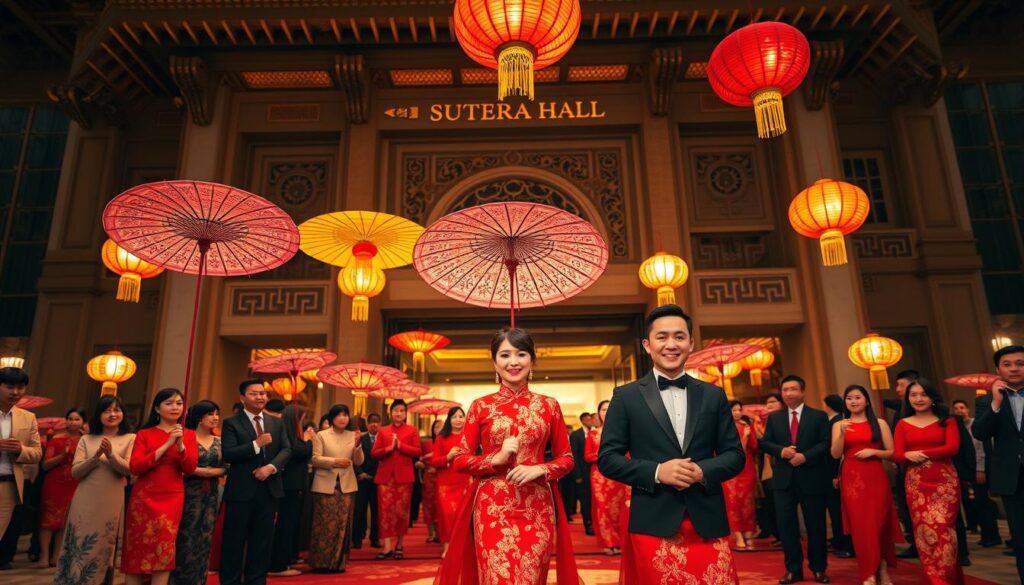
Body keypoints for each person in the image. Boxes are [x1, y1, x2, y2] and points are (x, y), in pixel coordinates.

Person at [598, 304, 743, 583]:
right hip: (653, 520)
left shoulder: (713, 395)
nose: (671, 344)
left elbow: (734, 455)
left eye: (679, 336)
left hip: (707, 520)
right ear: (647, 345)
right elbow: (608, 459)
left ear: (690, 343)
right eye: (662, 337)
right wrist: (657, 472)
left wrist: (702, 471)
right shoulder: (626, 397)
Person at [436, 327, 579, 584]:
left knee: (531, 576)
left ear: (532, 360)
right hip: (492, 507)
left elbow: (567, 458)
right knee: (497, 576)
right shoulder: (480, 406)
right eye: (504, 355)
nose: (513, 362)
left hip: (537, 506)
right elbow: (459, 459)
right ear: (494, 362)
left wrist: (541, 469)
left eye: (521, 354)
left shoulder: (549, 405)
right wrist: (496, 459)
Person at [54, 395, 134, 585]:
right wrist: (96, 456)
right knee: (80, 541)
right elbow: (76, 471)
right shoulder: (86, 439)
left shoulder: (130, 438)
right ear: (98, 415)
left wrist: (111, 454)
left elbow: (129, 469)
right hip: (85, 497)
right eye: (106, 411)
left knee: (103, 545)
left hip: (111, 499)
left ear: (123, 413)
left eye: (116, 410)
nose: (112, 414)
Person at [760, 374, 832, 584]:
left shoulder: (818, 416)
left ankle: (819, 568)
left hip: (812, 477)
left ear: (802, 391)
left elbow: (825, 443)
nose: (789, 393)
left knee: (815, 525)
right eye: (785, 390)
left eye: (793, 389)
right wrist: (781, 451)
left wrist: (805, 456)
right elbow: (765, 443)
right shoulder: (775, 418)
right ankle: (793, 570)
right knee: (786, 526)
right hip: (784, 480)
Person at [123, 388, 199, 585]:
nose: (175, 407)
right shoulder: (144, 434)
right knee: (137, 547)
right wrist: (167, 445)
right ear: (157, 408)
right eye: (169, 403)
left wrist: (181, 445)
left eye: (179, 403)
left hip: (172, 495)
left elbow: (190, 468)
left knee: (164, 548)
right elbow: (135, 466)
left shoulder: (189, 435)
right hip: (144, 495)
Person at [220, 378, 292, 585]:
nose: (260, 397)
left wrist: (270, 468)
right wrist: (256, 444)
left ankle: (256, 581)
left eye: (263, 393)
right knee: (234, 542)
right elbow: (229, 454)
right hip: (241, 492)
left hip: (268, 491)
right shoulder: (231, 422)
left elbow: (287, 449)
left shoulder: (276, 422)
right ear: (242, 398)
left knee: (261, 543)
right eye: (254, 393)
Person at [893, 378, 964, 584]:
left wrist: (920, 453)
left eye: (923, 394)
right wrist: (907, 455)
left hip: (944, 482)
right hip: (917, 484)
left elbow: (952, 448)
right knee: (924, 533)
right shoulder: (902, 423)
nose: (918, 398)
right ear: (908, 399)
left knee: (943, 530)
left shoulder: (947, 420)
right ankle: (937, 579)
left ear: (933, 397)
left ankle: (945, 579)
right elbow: (898, 454)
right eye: (913, 395)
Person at [830, 385, 901, 585]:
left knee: (880, 525)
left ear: (867, 401)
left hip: (875, 476)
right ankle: (868, 573)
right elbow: (835, 454)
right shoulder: (840, 424)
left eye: (857, 397)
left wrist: (875, 452)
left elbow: (894, 453)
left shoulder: (879, 423)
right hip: (852, 479)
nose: (853, 401)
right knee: (862, 527)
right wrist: (842, 433)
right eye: (849, 398)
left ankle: (883, 570)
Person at [972, 344, 1024, 582]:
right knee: (1021, 538)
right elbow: (980, 432)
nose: (1014, 369)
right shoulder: (987, 401)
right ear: (998, 369)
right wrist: (995, 401)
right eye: (1007, 364)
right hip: (1011, 478)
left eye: (1020, 363)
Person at [172, 400, 226, 585]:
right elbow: (177, 463)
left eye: (217, 413)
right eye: (210, 414)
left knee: (205, 536)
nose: (215, 417)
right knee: (184, 536)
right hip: (187, 491)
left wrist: (209, 472)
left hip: (210, 493)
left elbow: (227, 467)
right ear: (199, 417)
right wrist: (196, 471)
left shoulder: (220, 440)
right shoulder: (186, 437)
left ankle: (198, 580)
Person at [309, 403, 363, 573]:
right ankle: (321, 562)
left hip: (347, 486)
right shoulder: (321, 435)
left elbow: (359, 461)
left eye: (346, 415)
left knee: (342, 524)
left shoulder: (353, 435)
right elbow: (315, 459)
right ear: (332, 417)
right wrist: (334, 462)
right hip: (325, 485)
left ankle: (338, 562)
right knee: (324, 525)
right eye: (339, 415)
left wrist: (358, 446)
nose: (343, 418)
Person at [0, 367, 42, 571]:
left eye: (20, 387)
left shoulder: (28, 417)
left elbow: (37, 453)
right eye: (9, 387)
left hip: (10, 485)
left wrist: (20, 450)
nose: (15, 392)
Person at [371, 399, 421, 560]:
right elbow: (374, 453)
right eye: (395, 410)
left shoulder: (412, 430)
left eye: (401, 411)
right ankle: (386, 547)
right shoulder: (383, 431)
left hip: (404, 477)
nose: (398, 413)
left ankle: (399, 544)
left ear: (405, 414)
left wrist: (400, 446)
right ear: (390, 413)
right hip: (385, 477)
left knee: (401, 512)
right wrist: (388, 448)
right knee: (384, 511)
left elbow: (417, 451)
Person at [269, 404, 314, 577]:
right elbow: (299, 452)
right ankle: (278, 564)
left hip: (294, 486)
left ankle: (285, 559)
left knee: (290, 525)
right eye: (302, 418)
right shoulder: (287, 433)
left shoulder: (292, 433)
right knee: (285, 525)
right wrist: (308, 439)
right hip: (289, 486)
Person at [37, 408, 85, 568]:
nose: (72, 422)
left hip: (75, 482)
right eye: (70, 419)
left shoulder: (86, 440)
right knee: (48, 520)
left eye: (77, 419)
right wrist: (63, 455)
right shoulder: (57, 439)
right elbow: (45, 465)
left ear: (83, 422)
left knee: (65, 521)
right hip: (54, 483)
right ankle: (44, 556)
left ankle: (56, 556)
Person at [952, 399, 1001, 547]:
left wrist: (980, 470)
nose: (959, 411)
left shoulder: (975, 425)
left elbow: (980, 450)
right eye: (956, 409)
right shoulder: (958, 427)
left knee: (984, 503)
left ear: (968, 410)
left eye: (962, 407)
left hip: (982, 469)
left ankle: (992, 535)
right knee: (978, 503)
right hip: (970, 471)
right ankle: (987, 534)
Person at [585, 399, 629, 556]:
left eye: (609, 409)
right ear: (599, 414)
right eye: (603, 410)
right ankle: (608, 543)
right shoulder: (593, 434)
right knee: (603, 509)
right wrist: (604, 456)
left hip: (618, 475)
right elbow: (587, 456)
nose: (606, 412)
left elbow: (628, 455)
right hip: (599, 476)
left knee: (617, 510)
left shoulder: (623, 433)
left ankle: (619, 542)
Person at [428, 405, 470, 555]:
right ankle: (447, 546)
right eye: (454, 417)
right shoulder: (441, 437)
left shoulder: (469, 437)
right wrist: (448, 457)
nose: (458, 420)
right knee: (447, 515)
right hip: (445, 482)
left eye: (461, 416)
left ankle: (461, 547)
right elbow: (434, 461)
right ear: (449, 420)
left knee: (461, 515)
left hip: (464, 480)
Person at [888, 369, 920, 559]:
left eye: (900, 385)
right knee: (908, 508)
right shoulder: (900, 410)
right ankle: (915, 543)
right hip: (903, 467)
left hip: (926, 468)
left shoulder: (933, 411)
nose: (897, 389)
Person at [723, 400, 758, 550]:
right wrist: (744, 438)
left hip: (747, 468)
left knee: (747, 502)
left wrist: (749, 435)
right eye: (734, 410)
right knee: (732, 502)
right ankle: (738, 535)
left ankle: (749, 534)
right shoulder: (724, 428)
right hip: (729, 468)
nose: (737, 413)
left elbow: (754, 448)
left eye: (739, 410)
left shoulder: (748, 427)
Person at [822, 393, 853, 558]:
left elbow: (834, 453)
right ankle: (840, 540)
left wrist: (835, 474)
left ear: (828, 405)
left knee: (838, 510)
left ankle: (844, 542)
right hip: (835, 472)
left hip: (837, 472)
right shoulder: (836, 421)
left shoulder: (837, 423)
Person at [756, 393, 783, 544]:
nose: (770, 405)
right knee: (770, 503)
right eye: (768, 403)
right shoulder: (763, 423)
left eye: (773, 402)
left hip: (779, 466)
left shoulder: (784, 420)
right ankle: (778, 534)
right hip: (766, 468)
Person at [352, 412, 381, 549]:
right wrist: (360, 473)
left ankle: (375, 538)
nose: (374, 424)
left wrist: (375, 475)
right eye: (372, 422)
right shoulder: (361, 439)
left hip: (377, 479)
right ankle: (357, 539)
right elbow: (353, 456)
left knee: (377, 510)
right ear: (368, 424)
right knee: (359, 510)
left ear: (380, 424)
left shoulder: (383, 439)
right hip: (362, 479)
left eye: (377, 422)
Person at [569, 412, 594, 535]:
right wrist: (577, 475)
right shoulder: (576, 435)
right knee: (585, 500)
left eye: (591, 419)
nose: (590, 421)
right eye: (588, 419)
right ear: (582, 420)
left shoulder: (596, 433)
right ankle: (588, 524)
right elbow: (574, 455)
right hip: (583, 474)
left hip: (597, 473)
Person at [419, 419, 442, 543]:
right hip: (428, 478)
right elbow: (420, 459)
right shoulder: (426, 443)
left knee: (439, 506)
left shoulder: (447, 442)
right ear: (432, 429)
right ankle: (430, 533)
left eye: (441, 426)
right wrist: (421, 463)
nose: (438, 428)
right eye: (436, 426)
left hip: (442, 477)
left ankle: (440, 533)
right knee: (428, 506)